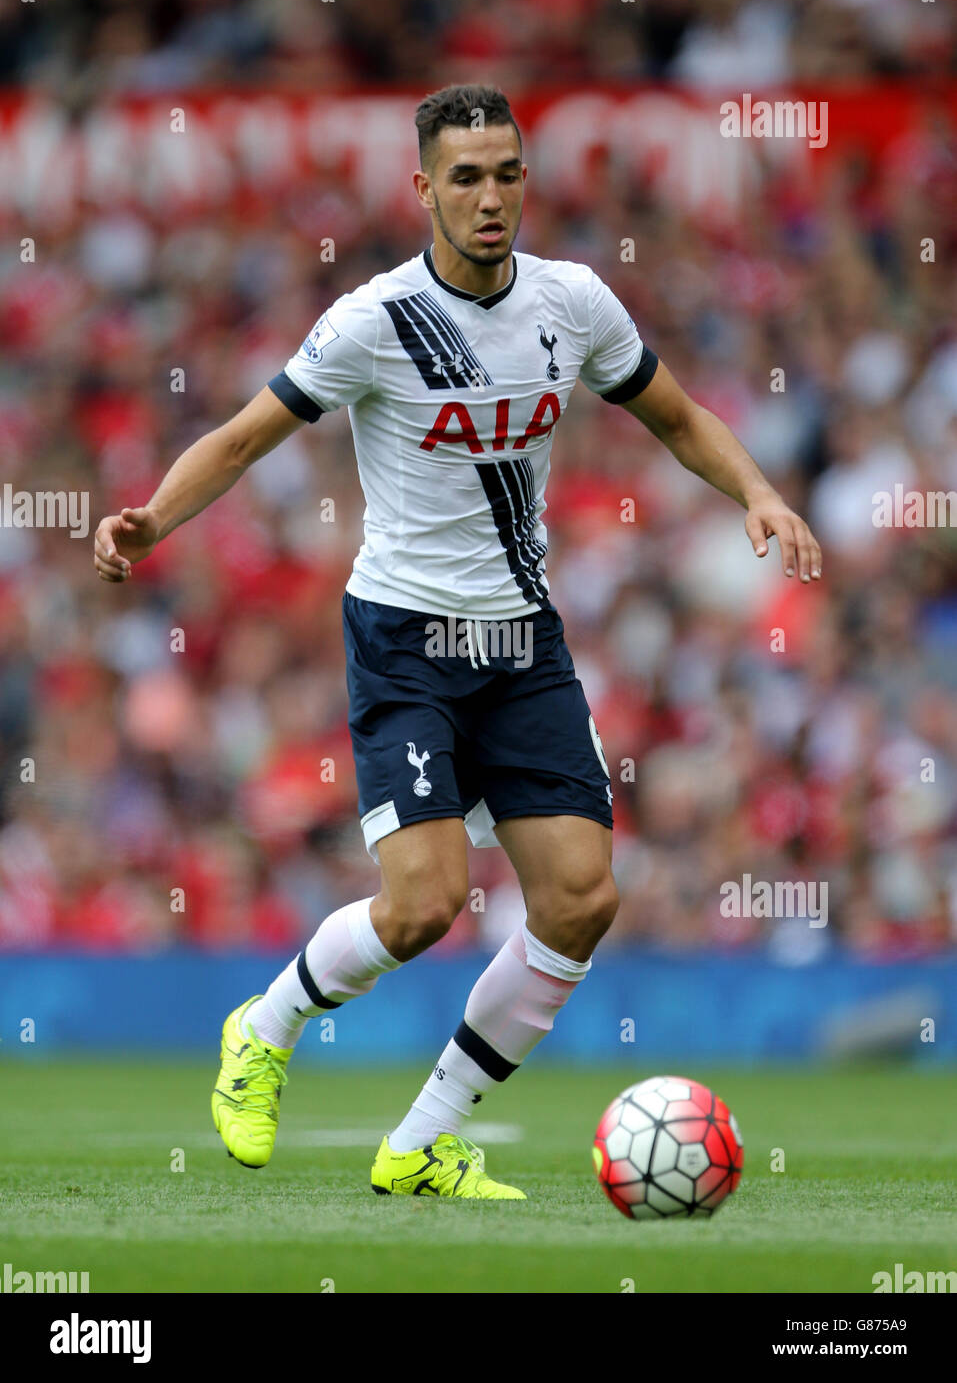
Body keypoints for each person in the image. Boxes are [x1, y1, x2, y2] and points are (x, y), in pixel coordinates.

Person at [94, 84, 822, 1199]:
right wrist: (152, 518)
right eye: (467, 176)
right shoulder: (374, 322)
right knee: (424, 903)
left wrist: (759, 493)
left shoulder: (574, 304)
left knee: (581, 897)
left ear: (526, 181)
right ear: (423, 187)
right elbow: (244, 438)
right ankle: (267, 1022)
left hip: (523, 642)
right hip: (405, 638)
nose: (490, 197)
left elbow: (675, 416)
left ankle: (423, 1137)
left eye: (507, 173)